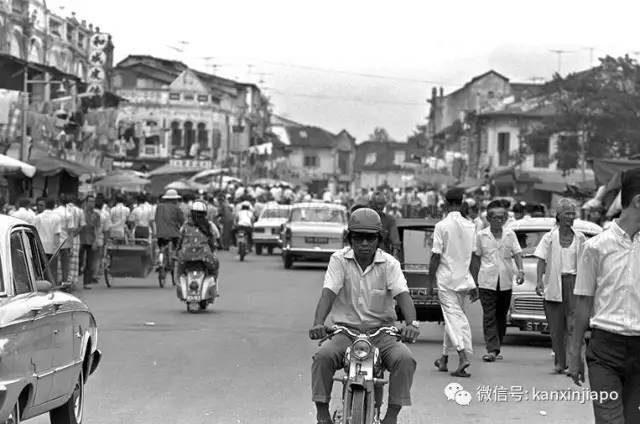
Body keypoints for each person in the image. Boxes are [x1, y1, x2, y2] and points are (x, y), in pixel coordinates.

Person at [308, 208, 419, 424]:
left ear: (379, 239)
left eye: (370, 238)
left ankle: (391, 416)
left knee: (405, 359)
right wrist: (318, 323)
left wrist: (411, 324)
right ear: (350, 238)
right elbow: (328, 293)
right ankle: (322, 414)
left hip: (382, 333)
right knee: (322, 356)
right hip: (345, 332)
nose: (365, 243)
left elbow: (403, 295)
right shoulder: (339, 260)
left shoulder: (390, 264)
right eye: (359, 238)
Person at [569, 168, 640, 424]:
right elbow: (583, 301)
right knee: (610, 420)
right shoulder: (596, 248)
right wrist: (574, 352)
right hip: (604, 352)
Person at [534, 198, 587, 374]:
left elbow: (586, 262)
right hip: (554, 285)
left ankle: (574, 363)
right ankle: (560, 362)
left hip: (574, 284)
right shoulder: (549, 237)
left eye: (573, 213)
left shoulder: (580, 238)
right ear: (559, 215)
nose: (571, 217)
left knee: (574, 325)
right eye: (567, 213)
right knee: (556, 328)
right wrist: (539, 280)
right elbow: (541, 260)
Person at [430, 188, 478, 377]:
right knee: (453, 317)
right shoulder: (471, 226)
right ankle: (444, 358)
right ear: (462, 202)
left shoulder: (441, 226)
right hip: (463, 280)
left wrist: (429, 281)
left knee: (453, 319)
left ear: (445, 203)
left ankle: (462, 356)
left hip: (446, 280)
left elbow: (435, 256)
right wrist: (475, 283)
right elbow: (473, 258)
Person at [471, 200, 525, 362]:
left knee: (501, 315)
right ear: (489, 219)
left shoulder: (510, 234)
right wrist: (474, 281)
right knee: (489, 316)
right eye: (496, 217)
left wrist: (520, 270)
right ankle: (492, 349)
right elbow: (476, 258)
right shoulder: (481, 236)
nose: (500, 220)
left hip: (505, 281)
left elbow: (517, 253)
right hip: (486, 282)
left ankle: (497, 344)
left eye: (503, 217)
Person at [176, 200, 220, 279]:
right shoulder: (209, 225)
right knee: (214, 268)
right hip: (205, 256)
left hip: (186, 256)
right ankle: (214, 285)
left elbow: (180, 239)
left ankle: (178, 283)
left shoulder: (186, 225)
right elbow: (216, 236)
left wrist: (177, 251)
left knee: (179, 273)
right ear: (205, 213)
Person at [33, 197, 62, 283]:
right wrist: (57, 250)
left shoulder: (38, 217)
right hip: (51, 248)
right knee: (51, 271)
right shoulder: (57, 218)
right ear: (54, 206)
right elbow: (57, 235)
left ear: (45, 205)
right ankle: (51, 286)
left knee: (40, 269)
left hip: (39, 247)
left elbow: (33, 232)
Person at [155, 189, 185, 260]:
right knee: (178, 246)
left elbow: (156, 219)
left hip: (160, 234)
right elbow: (182, 222)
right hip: (174, 234)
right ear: (174, 199)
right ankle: (175, 255)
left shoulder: (158, 207)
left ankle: (160, 258)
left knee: (161, 247)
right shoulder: (177, 209)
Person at [78, 195, 100, 290]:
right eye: (90, 201)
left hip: (91, 240)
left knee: (89, 262)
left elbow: (97, 229)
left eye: (93, 201)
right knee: (79, 260)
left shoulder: (96, 215)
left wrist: (96, 241)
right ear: (86, 202)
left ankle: (86, 283)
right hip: (80, 239)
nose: (92, 203)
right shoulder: (81, 213)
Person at [369, 192, 401, 258]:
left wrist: (395, 256)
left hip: (383, 255)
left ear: (384, 205)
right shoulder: (364, 217)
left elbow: (395, 242)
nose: (379, 206)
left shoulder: (389, 219)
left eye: (381, 204)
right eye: (376, 204)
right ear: (371, 204)